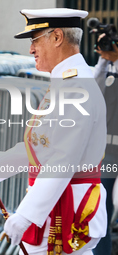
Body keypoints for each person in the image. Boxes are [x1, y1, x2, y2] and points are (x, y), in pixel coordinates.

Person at [0, 8, 107, 255]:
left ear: (57, 37)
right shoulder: (67, 82)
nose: (31, 49)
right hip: (58, 213)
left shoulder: (74, 86)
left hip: (64, 216)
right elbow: (36, 149)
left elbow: (62, 161)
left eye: (35, 40)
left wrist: (26, 216)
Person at [92, 35, 118, 255]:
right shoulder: (109, 69)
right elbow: (94, 89)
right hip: (109, 153)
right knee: (101, 209)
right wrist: (103, 59)